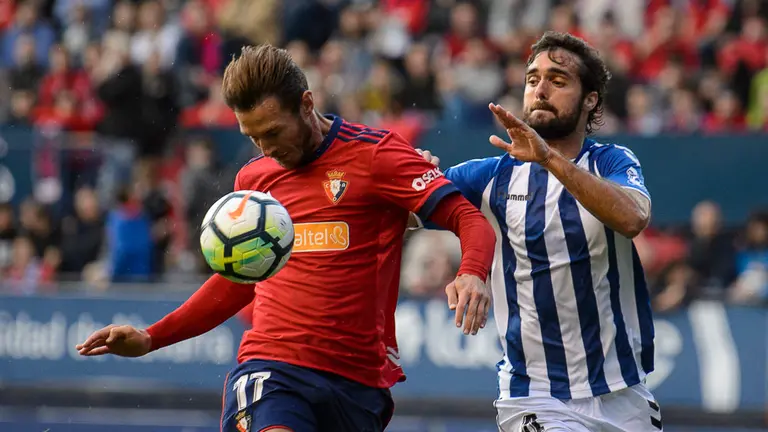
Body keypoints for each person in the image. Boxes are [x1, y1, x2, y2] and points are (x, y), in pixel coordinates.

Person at [75, 44, 496, 432]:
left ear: (306, 104)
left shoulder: (377, 155)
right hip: (272, 366)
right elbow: (238, 279)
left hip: (358, 382)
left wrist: (472, 272)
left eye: (273, 132)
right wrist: (153, 337)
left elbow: (466, 216)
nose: (264, 147)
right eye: (252, 136)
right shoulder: (254, 178)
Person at [412, 32, 660, 431]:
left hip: (623, 393)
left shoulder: (612, 162)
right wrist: (406, 176)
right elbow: (405, 210)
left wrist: (549, 159)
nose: (540, 89)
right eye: (532, 79)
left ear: (590, 99)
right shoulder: (490, 176)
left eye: (558, 81)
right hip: (536, 395)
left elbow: (633, 218)